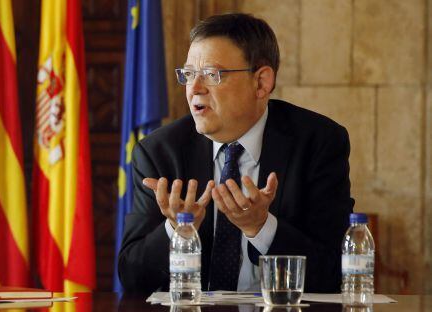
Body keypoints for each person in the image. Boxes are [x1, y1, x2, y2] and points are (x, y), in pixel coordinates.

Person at [118, 13, 354, 294]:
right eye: (189, 74)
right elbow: (131, 276)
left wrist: (261, 227)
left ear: (261, 83)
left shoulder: (318, 142)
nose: (194, 89)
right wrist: (175, 230)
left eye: (211, 75)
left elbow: (334, 271)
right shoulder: (158, 152)